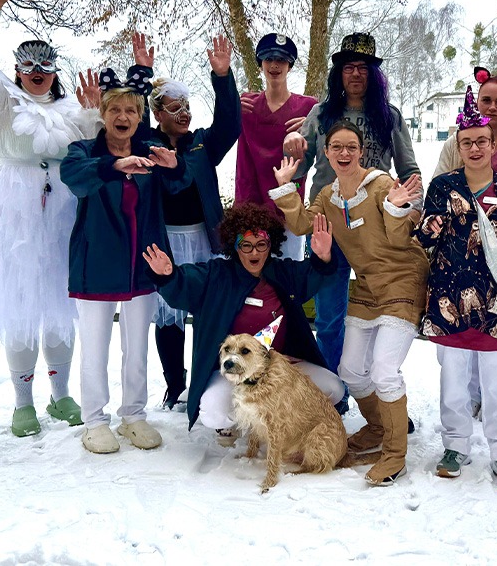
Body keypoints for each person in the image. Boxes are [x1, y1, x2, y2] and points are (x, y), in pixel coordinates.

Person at [0, 0, 99, 437]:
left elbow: (93, 147)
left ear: (55, 72)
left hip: (63, 213)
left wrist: (94, 112)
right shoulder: (2, 104)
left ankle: (60, 395)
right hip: (16, 211)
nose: (37, 74)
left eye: (45, 67)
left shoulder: (71, 110)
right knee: (21, 302)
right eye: (29, 67)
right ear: (18, 71)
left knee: (61, 303)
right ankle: (22, 402)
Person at [270, 120, 428, 485]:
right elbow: (303, 225)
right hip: (369, 287)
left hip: (403, 281)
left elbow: (400, 239)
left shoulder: (381, 185)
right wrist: (287, 187)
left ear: (361, 152)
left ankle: (395, 453)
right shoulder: (328, 196)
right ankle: (378, 427)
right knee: (351, 370)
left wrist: (396, 209)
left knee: (384, 371)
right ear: (326, 153)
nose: (344, 153)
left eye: (351, 147)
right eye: (336, 147)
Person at [416, 94, 497, 489]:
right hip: (450, 298)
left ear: (492, 144)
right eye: (466, 142)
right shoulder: (442, 186)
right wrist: (427, 225)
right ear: (458, 146)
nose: (474, 148)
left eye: (481, 141)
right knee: (453, 380)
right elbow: (424, 238)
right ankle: (455, 445)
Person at [60, 70, 187, 454]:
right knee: (95, 347)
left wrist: (174, 166)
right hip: (96, 264)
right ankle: (95, 421)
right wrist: (114, 166)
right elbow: (74, 177)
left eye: (131, 110)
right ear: (102, 114)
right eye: (115, 109)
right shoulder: (83, 151)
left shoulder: (152, 150)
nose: (123, 116)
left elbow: (178, 186)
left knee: (137, 347)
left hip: (143, 264)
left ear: (139, 116)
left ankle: (133, 415)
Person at [139, 203, 344, 440]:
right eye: (246, 245)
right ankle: (237, 420)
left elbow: (314, 275)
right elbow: (185, 285)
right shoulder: (216, 275)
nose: (254, 252)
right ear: (234, 246)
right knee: (214, 413)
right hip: (232, 371)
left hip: (279, 368)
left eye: (261, 244)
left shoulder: (283, 273)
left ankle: (279, 417)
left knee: (333, 389)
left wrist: (323, 256)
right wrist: (168, 275)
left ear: (271, 245)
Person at [282, 32, 420, 379]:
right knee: (329, 316)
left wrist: (412, 212)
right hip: (327, 225)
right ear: (338, 73)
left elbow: (409, 171)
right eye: (348, 67)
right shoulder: (320, 114)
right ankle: (334, 388)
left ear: (373, 74)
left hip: (376, 229)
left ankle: (376, 386)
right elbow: (297, 166)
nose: (356, 73)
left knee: (383, 313)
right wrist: (292, 146)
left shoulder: (389, 116)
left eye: (363, 67)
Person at [145, 34, 242, 411]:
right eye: (174, 108)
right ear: (158, 114)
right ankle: (174, 385)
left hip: (204, 240)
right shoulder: (146, 144)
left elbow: (230, 124)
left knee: (207, 313)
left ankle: (205, 382)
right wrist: (142, 74)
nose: (184, 113)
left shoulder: (202, 144)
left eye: (186, 106)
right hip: (165, 241)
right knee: (168, 316)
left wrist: (223, 77)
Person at [235, 33, 318, 258]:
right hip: (250, 205)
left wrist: (315, 123)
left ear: (290, 65)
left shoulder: (309, 107)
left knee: (287, 275)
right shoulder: (245, 104)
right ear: (260, 63)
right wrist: (228, 109)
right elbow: (220, 133)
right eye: (269, 59)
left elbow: (332, 140)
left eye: (281, 60)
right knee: (252, 273)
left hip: (288, 210)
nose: (274, 65)